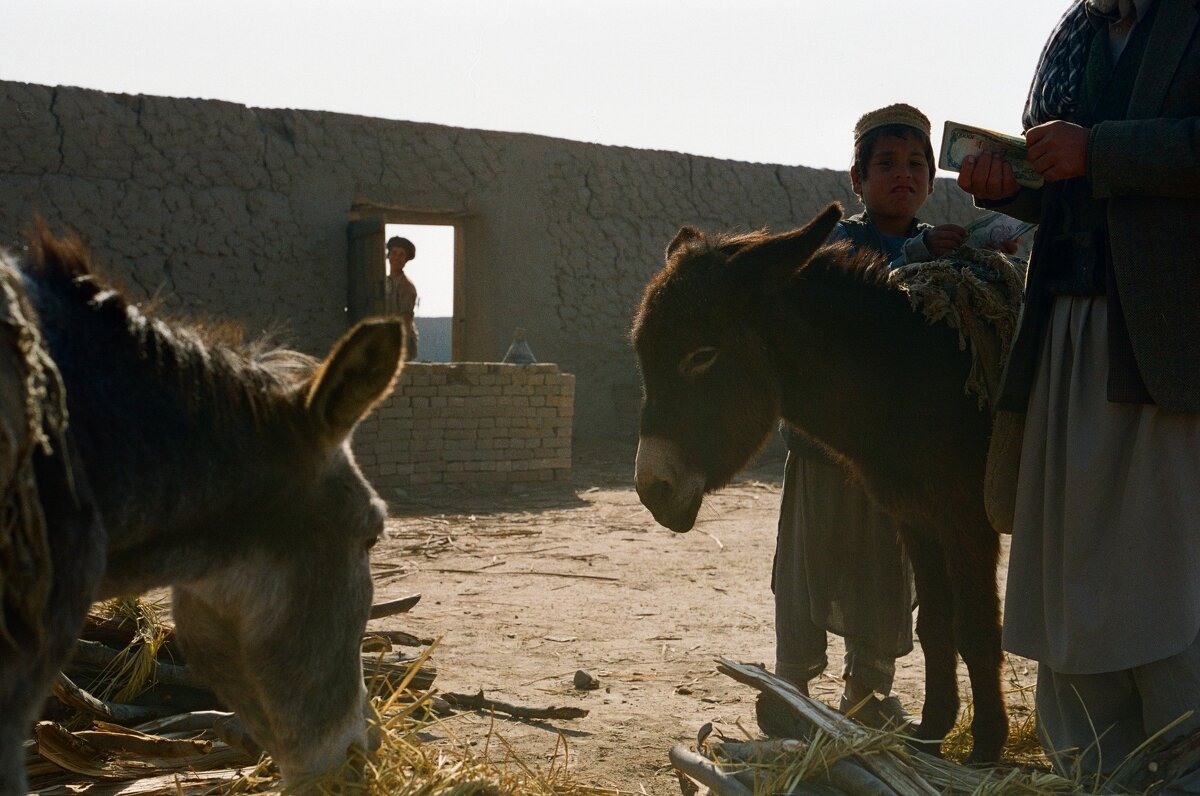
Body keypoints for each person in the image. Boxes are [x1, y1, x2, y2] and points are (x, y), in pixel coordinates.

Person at [957, 0, 1200, 786]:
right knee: (1069, 567)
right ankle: (1101, 767)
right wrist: (1009, 185)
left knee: (1167, 562)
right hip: (1063, 335)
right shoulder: (1074, 36)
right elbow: (1064, 190)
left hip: (1167, 345)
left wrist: (1100, 150)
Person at [763, 104, 970, 732]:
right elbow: (861, 290)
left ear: (933, 180)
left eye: (916, 164)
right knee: (808, 567)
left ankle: (865, 693)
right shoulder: (834, 247)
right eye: (886, 164)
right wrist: (915, 251)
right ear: (857, 179)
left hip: (895, 458)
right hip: (826, 452)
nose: (902, 175)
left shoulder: (942, 250)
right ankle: (789, 691)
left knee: (882, 574)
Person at [385, 236, 419, 361]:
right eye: (394, 253)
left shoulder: (406, 286)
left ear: (405, 260)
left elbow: (406, 318)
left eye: (401, 255)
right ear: (389, 256)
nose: (396, 258)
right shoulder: (384, 282)